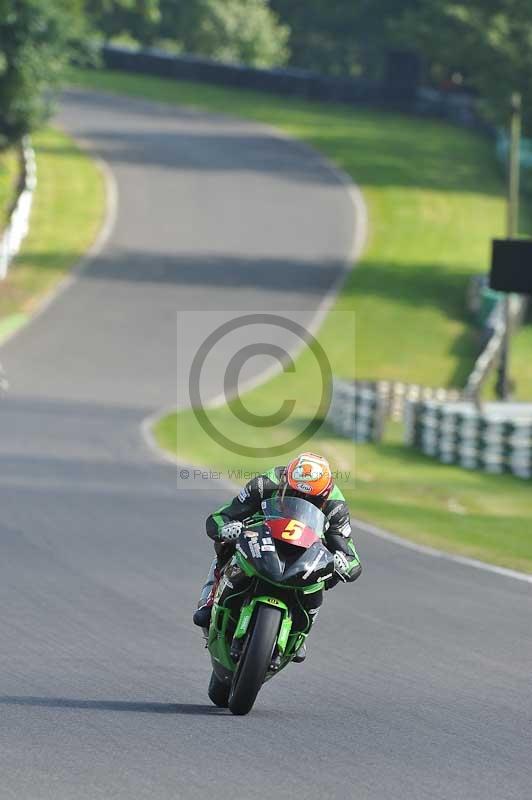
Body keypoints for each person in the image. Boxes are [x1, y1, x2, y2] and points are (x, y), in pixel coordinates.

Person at [192, 452, 362, 662]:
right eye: (293, 493)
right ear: (284, 483)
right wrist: (227, 528)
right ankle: (210, 599)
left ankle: (301, 629)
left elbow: (350, 553)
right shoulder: (266, 483)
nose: (302, 499)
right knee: (225, 544)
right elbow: (221, 516)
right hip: (263, 537)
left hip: (304, 552)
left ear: (324, 496)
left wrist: (344, 563)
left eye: (312, 499)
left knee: (330, 571)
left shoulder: (335, 506)